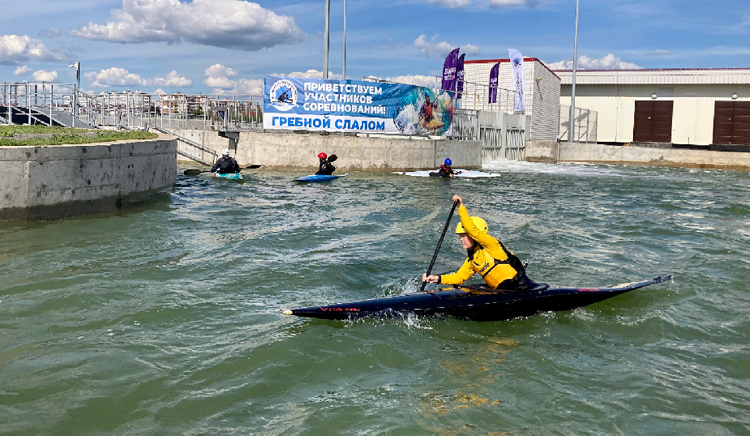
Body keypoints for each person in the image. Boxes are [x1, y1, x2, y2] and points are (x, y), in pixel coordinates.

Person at [422, 195, 534, 291]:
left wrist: (461, 207)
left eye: (463, 236)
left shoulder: (492, 245)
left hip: (520, 288)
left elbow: (473, 231)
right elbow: (459, 277)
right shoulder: (473, 258)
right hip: (500, 292)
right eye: (460, 236)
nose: (461, 239)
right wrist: (436, 279)